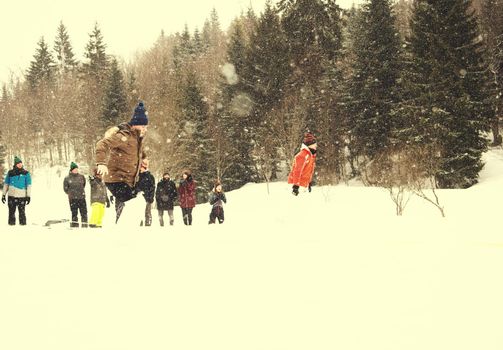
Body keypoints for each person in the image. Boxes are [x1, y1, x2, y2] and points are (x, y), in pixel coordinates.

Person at [95, 101, 148, 223]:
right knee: (131, 205)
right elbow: (102, 144)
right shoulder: (125, 136)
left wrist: (144, 158)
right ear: (135, 125)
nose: (145, 129)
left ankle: (125, 232)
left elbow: (137, 153)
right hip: (116, 179)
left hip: (127, 181)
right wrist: (101, 162)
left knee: (137, 203)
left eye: (146, 127)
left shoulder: (137, 139)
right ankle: (121, 232)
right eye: (143, 126)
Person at [2, 156, 31, 225]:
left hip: (22, 197)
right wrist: (3, 195)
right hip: (11, 196)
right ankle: (11, 228)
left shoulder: (26, 173)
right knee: (11, 213)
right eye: (18, 163)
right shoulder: (10, 173)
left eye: (21, 163)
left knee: (22, 213)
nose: (20, 164)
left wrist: (28, 196)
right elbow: (6, 184)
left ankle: (23, 227)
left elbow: (28, 185)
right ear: (15, 164)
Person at [63, 162, 88, 228]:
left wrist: (80, 192)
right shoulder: (67, 178)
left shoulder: (81, 177)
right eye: (75, 169)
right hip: (73, 199)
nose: (76, 170)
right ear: (71, 170)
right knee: (74, 213)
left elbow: (84, 185)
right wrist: (71, 193)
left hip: (82, 198)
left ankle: (85, 225)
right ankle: (75, 226)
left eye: (77, 169)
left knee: (84, 212)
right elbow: (65, 189)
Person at [137, 159, 155, 226]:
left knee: (147, 211)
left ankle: (148, 223)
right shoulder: (137, 176)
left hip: (147, 197)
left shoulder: (150, 176)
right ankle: (139, 223)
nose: (141, 169)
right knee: (139, 211)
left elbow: (152, 188)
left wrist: (151, 197)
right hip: (138, 197)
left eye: (142, 167)